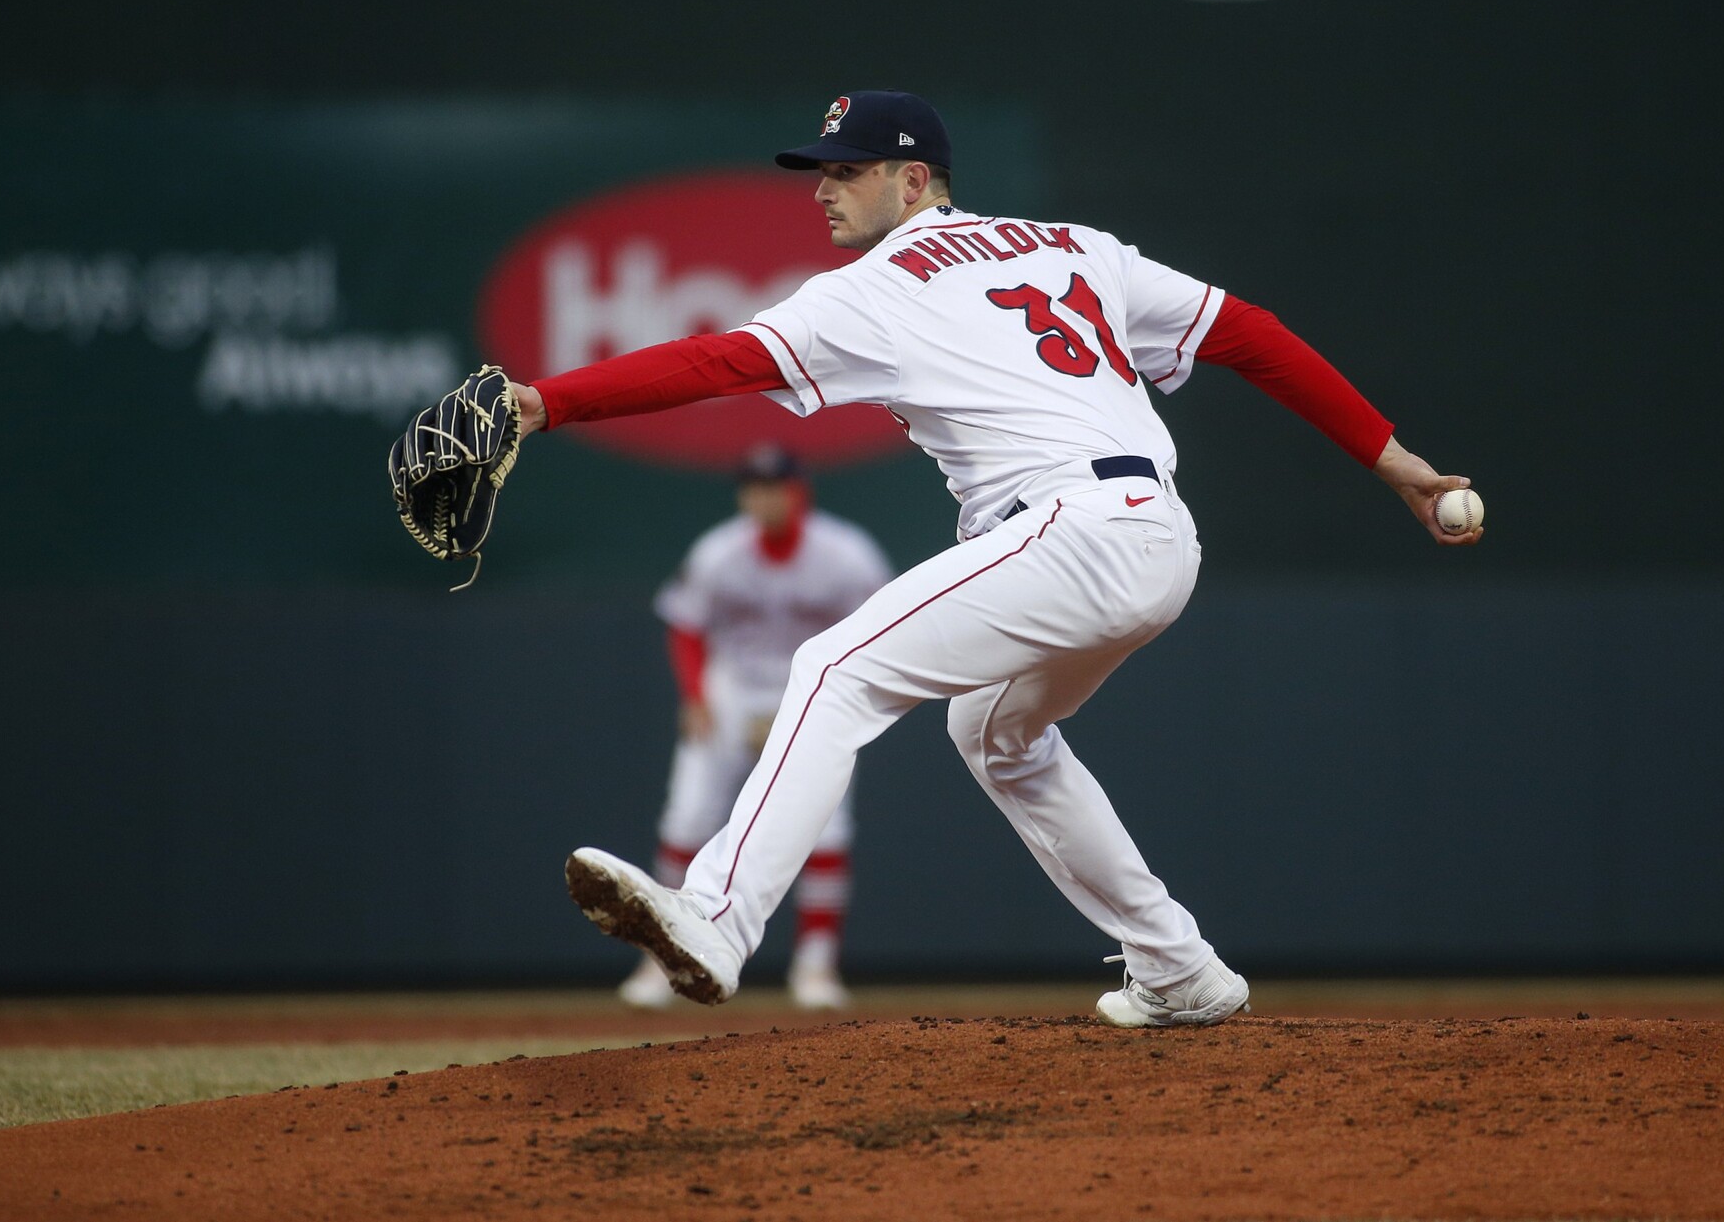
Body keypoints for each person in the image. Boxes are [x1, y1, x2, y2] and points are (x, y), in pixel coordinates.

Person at [524, 90, 1482, 1028]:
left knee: (832, 668)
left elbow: (716, 362)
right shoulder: (1075, 246)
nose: (823, 189)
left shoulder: (873, 288)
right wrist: (1395, 461)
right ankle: (1177, 966)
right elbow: (1250, 334)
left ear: (913, 179)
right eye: (820, 172)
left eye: (847, 171)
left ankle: (720, 918)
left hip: (1070, 528)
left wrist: (542, 402)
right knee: (994, 735)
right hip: (1155, 537)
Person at [617, 444, 892, 1011]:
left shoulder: (846, 555)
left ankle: (816, 967)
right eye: (755, 487)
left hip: (813, 690)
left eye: (776, 485)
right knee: (688, 817)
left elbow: (882, 630)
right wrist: (694, 697)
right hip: (733, 689)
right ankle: (657, 960)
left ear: (800, 492)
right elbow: (687, 626)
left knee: (828, 826)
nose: (765, 497)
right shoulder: (720, 552)